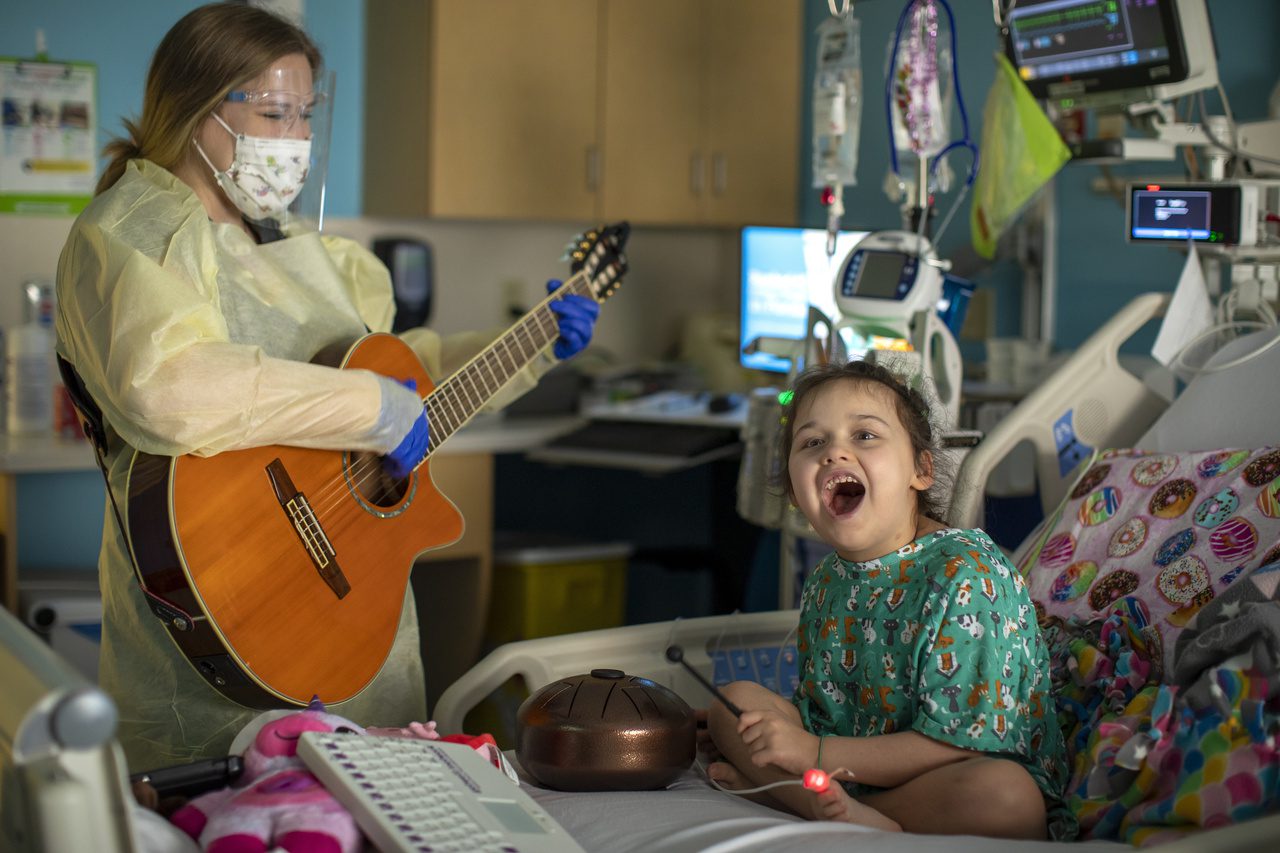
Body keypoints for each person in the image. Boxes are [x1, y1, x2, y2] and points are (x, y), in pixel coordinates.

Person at [54, 2, 600, 772]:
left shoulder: (298, 249)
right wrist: (375, 410)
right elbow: (169, 387)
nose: (296, 140)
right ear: (195, 107)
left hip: (353, 625)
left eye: (305, 115)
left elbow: (405, 371)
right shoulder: (135, 230)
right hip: (218, 635)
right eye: (274, 112)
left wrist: (534, 343)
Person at [706, 360, 1072, 840]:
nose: (835, 452)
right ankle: (829, 804)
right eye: (813, 442)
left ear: (921, 469)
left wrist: (811, 755)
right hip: (850, 765)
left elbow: (965, 745)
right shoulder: (827, 582)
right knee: (731, 705)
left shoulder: (966, 575)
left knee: (1005, 797)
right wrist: (784, 735)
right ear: (796, 494)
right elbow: (825, 711)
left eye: (865, 436)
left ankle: (799, 797)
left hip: (951, 771)